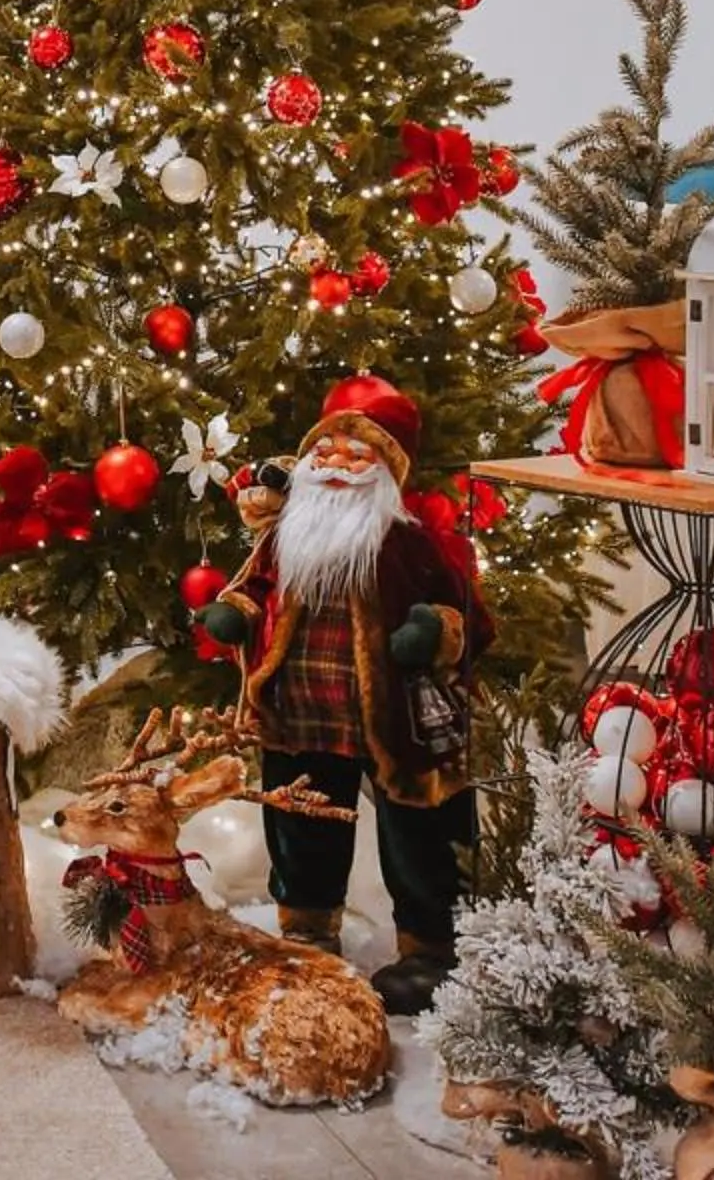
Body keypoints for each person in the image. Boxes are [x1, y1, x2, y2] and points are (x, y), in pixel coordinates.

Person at [195, 373, 489, 1014]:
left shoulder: (407, 545)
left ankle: (431, 947)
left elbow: (466, 616)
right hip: (300, 711)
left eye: (356, 456)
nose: (336, 466)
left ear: (385, 470)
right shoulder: (286, 535)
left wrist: (431, 632)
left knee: (419, 830)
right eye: (325, 453)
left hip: (391, 715)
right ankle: (306, 930)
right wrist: (234, 614)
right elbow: (257, 588)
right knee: (301, 817)